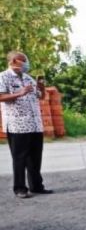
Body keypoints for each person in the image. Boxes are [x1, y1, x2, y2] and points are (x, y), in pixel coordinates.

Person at [0, 51, 52, 198]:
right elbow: (1, 96)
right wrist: (19, 93)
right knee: (20, 157)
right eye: (24, 61)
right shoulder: (3, 77)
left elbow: (40, 97)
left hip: (35, 124)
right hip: (18, 124)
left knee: (35, 157)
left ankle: (36, 186)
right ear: (15, 61)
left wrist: (41, 89)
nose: (26, 63)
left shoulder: (29, 78)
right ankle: (20, 189)